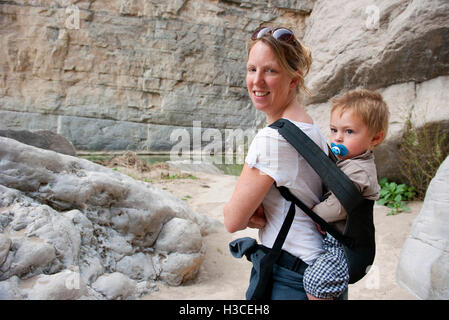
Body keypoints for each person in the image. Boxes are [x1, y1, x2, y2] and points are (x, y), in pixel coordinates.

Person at [223, 26, 331, 300]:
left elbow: (233, 219)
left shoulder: (274, 139)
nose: (257, 81)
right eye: (252, 69)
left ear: (293, 80)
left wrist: (250, 211)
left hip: (293, 278)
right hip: (320, 274)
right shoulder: (309, 128)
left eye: (270, 71)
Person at [303, 89, 390, 300]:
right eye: (334, 130)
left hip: (345, 246)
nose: (338, 138)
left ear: (375, 138)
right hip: (337, 239)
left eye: (349, 132)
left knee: (316, 282)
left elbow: (339, 204)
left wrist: (316, 213)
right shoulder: (348, 160)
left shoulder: (359, 171)